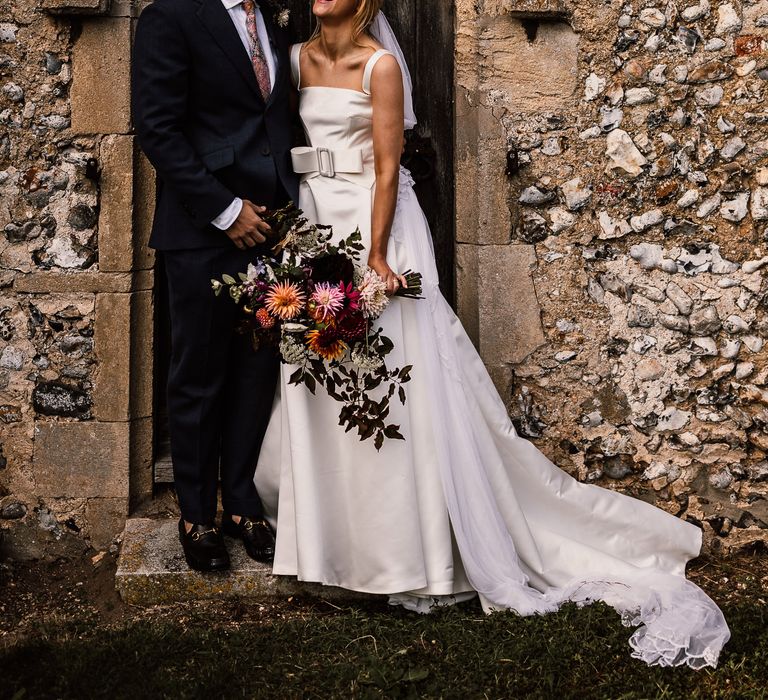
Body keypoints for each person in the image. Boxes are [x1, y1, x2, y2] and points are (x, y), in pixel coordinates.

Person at [253, 0, 732, 668]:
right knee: (325, 382)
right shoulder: (297, 59)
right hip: (314, 222)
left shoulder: (381, 66)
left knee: (389, 386)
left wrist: (379, 257)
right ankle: (332, 552)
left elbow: (389, 167)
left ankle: (405, 557)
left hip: (373, 226)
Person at [132, 0, 299, 572]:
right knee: (199, 375)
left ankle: (242, 501)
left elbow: (269, 122)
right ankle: (197, 514)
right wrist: (226, 211)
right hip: (205, 230)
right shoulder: (170, 16)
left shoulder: (271, 21)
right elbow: (157, 127)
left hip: (272, 230)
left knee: (256, 370)